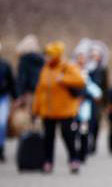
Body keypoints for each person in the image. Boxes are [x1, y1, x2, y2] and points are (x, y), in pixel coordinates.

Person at [32, 41, 85, 173]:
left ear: (56, 56)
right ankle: (48, 161)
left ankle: (73, 160)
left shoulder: (67, 67)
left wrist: (63, 79)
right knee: (48, 138)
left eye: (49, 55)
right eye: (46, 55)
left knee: (68, 136)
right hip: (48, 111)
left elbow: (81, 81)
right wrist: (36, 109)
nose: (47, 57)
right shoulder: (45, 69)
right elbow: (40, 91)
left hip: (65, 110)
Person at [73, 42, 103, 163]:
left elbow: (94, 90)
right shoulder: (72, 71)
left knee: (84, 130)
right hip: (73, 106)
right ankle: (75, 152)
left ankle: (83, 153)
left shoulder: (88, 73)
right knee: (74, 130)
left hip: (85, 106)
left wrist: (84, 96)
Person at [87, 41, 109, 154]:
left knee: (96, 122)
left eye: (97, 54)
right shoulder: (86, 68)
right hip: (86, 100)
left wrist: (106, 103)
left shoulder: (102, 69)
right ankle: (86, 143)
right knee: (86, 122)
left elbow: (105, 87)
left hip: (98, 101)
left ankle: (93, 143)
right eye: (93, 54)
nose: (94, 56)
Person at [16, 35, 45, 115]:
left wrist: (20, 94)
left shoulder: (24, 60)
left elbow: (22, 78)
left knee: (29, 113)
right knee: (39, 113)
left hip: (29, 92)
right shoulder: (41, 59)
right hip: (42, 90)